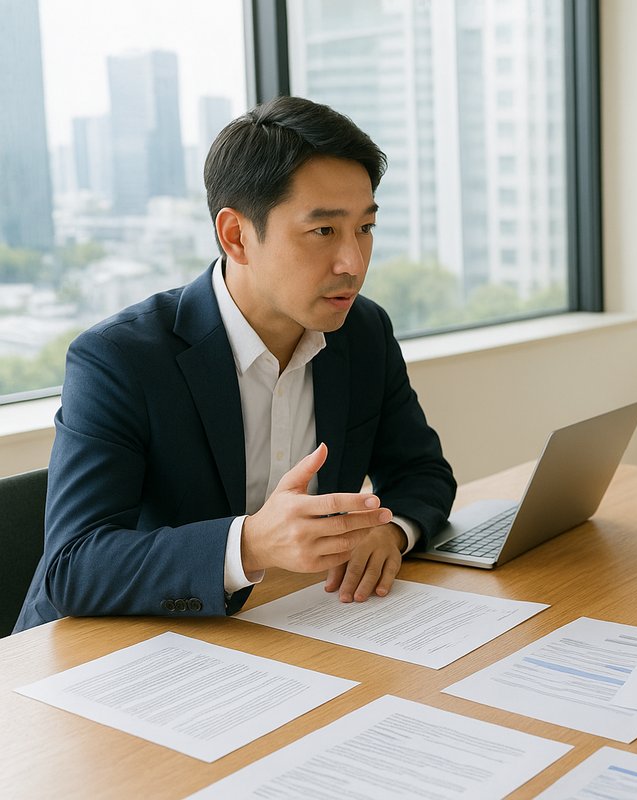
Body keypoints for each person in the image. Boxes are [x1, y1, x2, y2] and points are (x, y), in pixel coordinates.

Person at [15, 96, 456, 632]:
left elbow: (422, 473)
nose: (354, 262)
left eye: (364, 228)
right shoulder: (119, 359)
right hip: (107, 652)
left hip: (285, 627)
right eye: (324, 231)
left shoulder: (363, 331)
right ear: (236, 235)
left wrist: (391, 532)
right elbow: (74, 567)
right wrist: (250, 544)